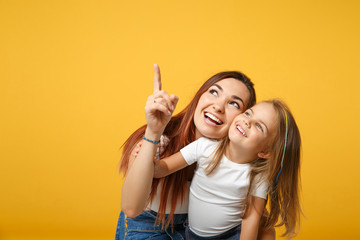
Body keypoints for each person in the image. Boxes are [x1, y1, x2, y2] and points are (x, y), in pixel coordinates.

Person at [116, 64, 274, 239]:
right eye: (214, 92)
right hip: (150, 229)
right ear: (200, 96)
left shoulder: (235, 161)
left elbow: (256, 217)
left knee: (266, 230)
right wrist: (153, 132)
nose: (218, 106)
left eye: (234, 104)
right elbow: (131, 208)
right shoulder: (159, 142)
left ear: (242, 119)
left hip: (197, 233)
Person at [150, 100, 302, 239]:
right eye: (248, 113)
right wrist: (148, 158)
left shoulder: (258, 177)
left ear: (265, 151)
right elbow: (164, 168)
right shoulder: (204, 147)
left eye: (259, 126)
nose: (247, 121)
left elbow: (251, 220)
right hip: (191, 234)